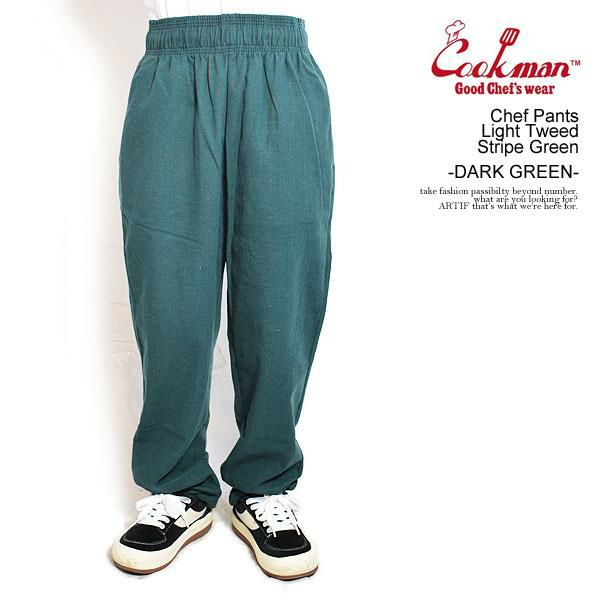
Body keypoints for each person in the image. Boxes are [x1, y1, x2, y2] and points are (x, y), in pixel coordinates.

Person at [110, 0, 334, 581]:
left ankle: (265, 483)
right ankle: (176, 485)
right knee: (168, 293)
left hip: (281, 68)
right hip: (170, 67)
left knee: (282, 290)